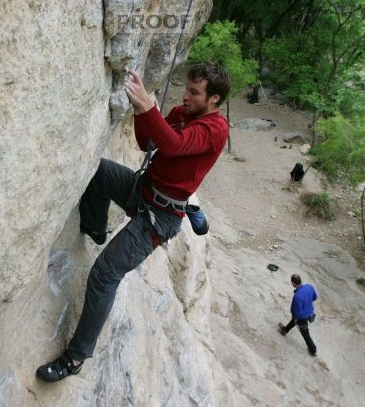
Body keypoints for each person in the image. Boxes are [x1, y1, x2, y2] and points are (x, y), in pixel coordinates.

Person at [37, 62, 230, 382]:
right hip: (143, 191)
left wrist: (148, 106)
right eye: (187, 88)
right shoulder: (184, 114)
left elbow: (173, 145)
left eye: (195, 92)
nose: (186, 95)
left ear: (214, 100)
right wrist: (141, 111)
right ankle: (96, 230)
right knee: (98, 172)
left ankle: (76, 357)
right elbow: (148, 143)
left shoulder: (215, 129)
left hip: (160, 217)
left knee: (103, 274)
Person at [278, 274, 317, 356]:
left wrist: (296, 318)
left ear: (293, 283)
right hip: (309, 312)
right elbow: (315, 297)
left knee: (305, 334)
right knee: (293, 321)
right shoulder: (309, 286)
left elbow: (297, 313)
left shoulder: (297, 297)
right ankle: (285, 330)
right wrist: (306, 303)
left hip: (301, 318)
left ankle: (313, 349)